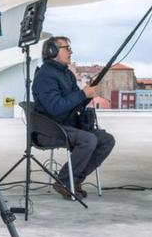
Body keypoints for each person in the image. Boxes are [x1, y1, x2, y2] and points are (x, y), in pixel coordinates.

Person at [32, 36, 115, 198]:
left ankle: (75, 179)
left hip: (68, 125)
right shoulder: (45, 76)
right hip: (50, 129)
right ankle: (64, 181)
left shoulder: (67, 75)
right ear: (53, 51)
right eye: (66, 48)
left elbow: (73, 104)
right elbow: (56, 107)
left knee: (106, 140)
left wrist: (86, 96)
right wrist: (82, 93)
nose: (71, 52)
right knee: (88, 140)